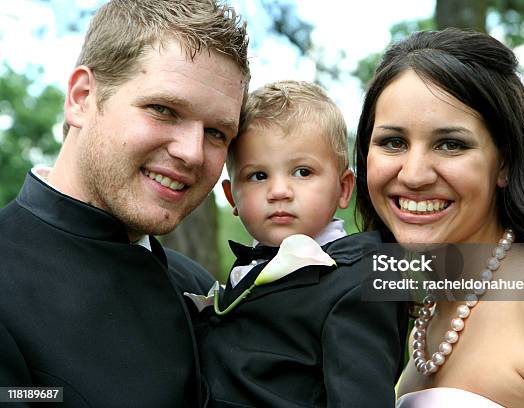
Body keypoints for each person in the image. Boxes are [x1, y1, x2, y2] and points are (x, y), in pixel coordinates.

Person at [0, 1, 248, 406]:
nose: (193, 153)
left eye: (218, 133)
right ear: (81, 98)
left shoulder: (201, 288)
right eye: (163, 109)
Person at [353, 29, 524, 407]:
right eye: (393, 142)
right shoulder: (422, 322)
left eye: (450, 144)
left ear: (503, 163)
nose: (413, 174)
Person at [193, 80, 408, 407]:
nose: (279, 191)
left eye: (303, 172)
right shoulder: (244, 272)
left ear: (344, 188)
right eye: (258, 176)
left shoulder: (356, 280)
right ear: (230, 195)